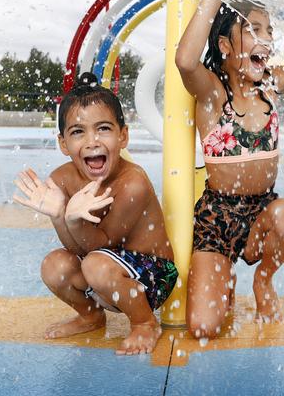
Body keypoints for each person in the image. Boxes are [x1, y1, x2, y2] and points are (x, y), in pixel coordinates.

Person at [174, 0, 284, 339]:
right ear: (226, 46)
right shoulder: (213, 93)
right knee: (204, 327)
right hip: (218, 217)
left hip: (262, 211)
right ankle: (222, 269)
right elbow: (184, 61)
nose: (266, 39)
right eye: (253, 30)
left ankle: (263, 279)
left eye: (269, 31)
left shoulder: (271, 85)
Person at [13, 73, 177, 356]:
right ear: (63, 143)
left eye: (103, 129)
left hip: (153, 277)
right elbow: (75, 247)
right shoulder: (62, 179)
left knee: (95, 264)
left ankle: (144, 322)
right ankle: (91, 317)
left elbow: (101, 245)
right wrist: (59, 215)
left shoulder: (132, 182)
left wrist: (72, 218)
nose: (92, 141)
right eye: (78, 132)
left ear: (123, 136)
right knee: (54, 265)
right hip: (103, 266)